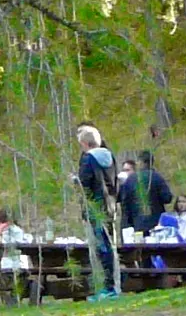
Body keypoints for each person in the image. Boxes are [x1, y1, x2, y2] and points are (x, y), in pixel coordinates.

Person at [74, 122, 120, 300]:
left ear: (85, 144)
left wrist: (75, 182)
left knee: (101, 248)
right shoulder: (110, 156)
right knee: (110, 245)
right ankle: (114, 285)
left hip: (95, 208)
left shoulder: (88, 159)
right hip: (110, 205)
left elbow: (84, 185)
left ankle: (107, 288)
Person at [119, 149, 174, 235]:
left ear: (141, 162)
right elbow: (167, 198)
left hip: (136, 222)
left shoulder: (131, 179)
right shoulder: (157, 178)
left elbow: (124, 202)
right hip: (156, 223)